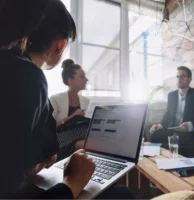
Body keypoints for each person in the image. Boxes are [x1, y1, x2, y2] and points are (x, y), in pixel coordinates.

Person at [0, 0, 133, 199]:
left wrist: (25, 166)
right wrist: (72, 183)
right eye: (82, 76)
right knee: (122, 194)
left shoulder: (14, 69)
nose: (86, 79)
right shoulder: (27, 76)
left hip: (37, 169)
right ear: (60, 45)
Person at [150, 66, 194, 156]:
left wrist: (190, 125)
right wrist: (160, 125)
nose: (179, 79)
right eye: (177, 76)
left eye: (182, 76)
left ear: (189, 79)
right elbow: (168, 114)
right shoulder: (171, 95)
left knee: (180, 143)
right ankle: (165, 154)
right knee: (154, 135)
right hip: (172, 130)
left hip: (186, 133)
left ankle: (170, 154)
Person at [50, 59, 89, 155]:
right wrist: (73, 116)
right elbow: (49, 128)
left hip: (81, 133)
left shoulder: (86, 101)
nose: (86, 79)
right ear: (70, 80)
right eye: (82, 77)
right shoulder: (55, 99)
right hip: (61, 137)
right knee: (88, 146)